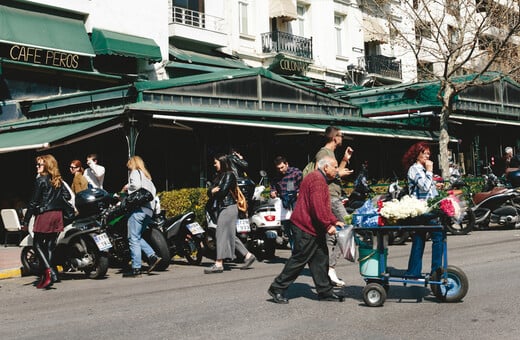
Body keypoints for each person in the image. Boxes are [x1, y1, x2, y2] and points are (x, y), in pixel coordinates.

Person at [267, 156, 345, 304]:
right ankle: (277, 287)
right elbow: (317, 207)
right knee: (299, 259)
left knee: (320, 259)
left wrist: (334, 221)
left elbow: (322, 206)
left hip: (312, 227)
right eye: (335, 167)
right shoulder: (317, 180)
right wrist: (328, 225)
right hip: (305, 227)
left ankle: (325, 292)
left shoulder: (318, 178)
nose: (337, 169)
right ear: (325, 167)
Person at [22, 154, 71, 289]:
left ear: (47, 165)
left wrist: (26, 222)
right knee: (49, 245)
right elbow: (66, 195)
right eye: (37, 164)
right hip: (57, 214)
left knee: (37, 243)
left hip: (45, 214)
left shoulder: (41, 180)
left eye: (40, 164)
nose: (37, 167)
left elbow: (33, 202)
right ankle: (50, 274)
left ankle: (49, 271)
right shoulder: (57, 180)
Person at [314, 126, 354, 286]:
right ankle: (330, 267)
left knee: (331, 235)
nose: (342, 138)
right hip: (331, 197)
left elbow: (335, 173)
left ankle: (327, 269)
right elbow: (320, 173)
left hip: (335, 196)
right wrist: (338, 173)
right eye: (341, 136)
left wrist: (344, 159)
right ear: (334, 137)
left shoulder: (331, 154)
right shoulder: (323, 153)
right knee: (349, 227)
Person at [204, 154, 256, 274]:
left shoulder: (229, 175)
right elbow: (210, 191)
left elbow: (222, 192)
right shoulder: (218, 176)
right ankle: (248, 255)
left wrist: (215, 191)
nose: (214, 165)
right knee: (228, 234)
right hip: (223, 207)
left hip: (229, 207)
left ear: (222, 163)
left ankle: (219, 263)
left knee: (220, 233)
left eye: (216, 162)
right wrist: (212, 190)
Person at [402, 141, 444, 278]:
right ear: (417, 154)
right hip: (422, 211)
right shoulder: (415, 169)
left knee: (419, 238)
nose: (427, 156)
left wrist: (436, 186)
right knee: (438, 236)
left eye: (428, 154)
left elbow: (427, 188)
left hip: (426, 209)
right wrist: (430, 171)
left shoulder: (422, 170)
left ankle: (413, 272)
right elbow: (424, 187)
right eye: (424, 153)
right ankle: (436, 271)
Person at [121, 156, 162, 278]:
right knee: (137, 237)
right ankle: (152, 256)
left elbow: (136, 186)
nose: (128, 168)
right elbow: (153, 194)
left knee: (132, 238)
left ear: (132, 164)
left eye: (129, 165)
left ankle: (136, 268)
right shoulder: (148, 177)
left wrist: (127, 187)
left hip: (138, 210)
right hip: (148, 211)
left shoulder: (135, 172)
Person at [269, 156, 303, 249]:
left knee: (297, 227)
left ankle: (299, 251)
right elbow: (273, 187)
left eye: (282, 167)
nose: (280, 170)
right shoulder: (276, 176)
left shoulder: (297, 173)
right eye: (278, 168)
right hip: (284, 204)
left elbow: (303, 186)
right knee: (288, 230)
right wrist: (273, 192)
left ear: (286, 164)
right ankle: (294, 251)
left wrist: (299, 192)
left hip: (296, 202)